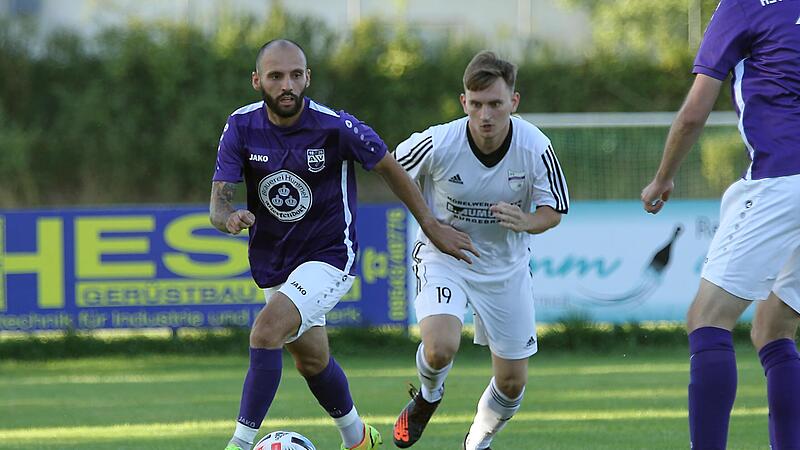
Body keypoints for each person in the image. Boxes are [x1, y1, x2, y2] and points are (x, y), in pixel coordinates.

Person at [209, 39, 476, 450]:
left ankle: (239, 444)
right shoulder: (241, 125)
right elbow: (218, 201)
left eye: (296, 75)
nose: (287, 85)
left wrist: (430, 223)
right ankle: (358, 439)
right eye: (276, 76)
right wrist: (228, 217)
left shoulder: (335, 126)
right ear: (257, 80)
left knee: (265, 332)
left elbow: (389, 165)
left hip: (329, 256)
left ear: (308, 78)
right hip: (274, 260)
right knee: (311, 360)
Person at [641, 1, 800, 448]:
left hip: (782, 176)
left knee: (707, 318)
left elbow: (695, 111)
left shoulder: (743, 6)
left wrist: (663, 177)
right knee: (773, 327)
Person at [391, 50, 569, 450]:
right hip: (445, 256)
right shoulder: (439, 141)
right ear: (463, 103)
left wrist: (528, 221)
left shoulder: (535, 145)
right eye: (476, 105)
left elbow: (554, 209)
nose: (485, 115)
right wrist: (431, 225)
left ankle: (476, 442)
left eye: (495, 104)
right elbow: (390, 168)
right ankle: (429, 395)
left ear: (514, 102)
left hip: (505, 268)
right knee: (439, 347)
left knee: (511, 382)